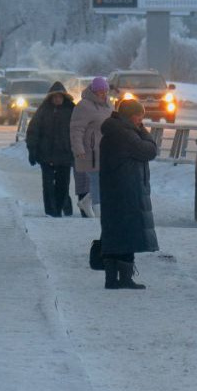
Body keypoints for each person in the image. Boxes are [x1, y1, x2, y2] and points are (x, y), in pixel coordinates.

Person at [98, 99, 158, 290]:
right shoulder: (125, 134)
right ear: (132, 116)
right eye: (140, 116)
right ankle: (124, 278)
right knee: (128, 232)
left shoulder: (113, 131)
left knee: (114, 232)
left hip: (114, 188)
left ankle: (111, 279)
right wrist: (143, 131)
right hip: (127, 189)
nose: (141, 120)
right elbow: (149, 150)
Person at [25, 81, 76, 217]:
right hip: (46, 154)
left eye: (60, 97)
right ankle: (50, 212)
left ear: (64, 97)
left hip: (65, 155)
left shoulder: (71, 111)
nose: (57, 99)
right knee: (47, 186)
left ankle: (60, 207)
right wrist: (32, 150)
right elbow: (33, 131)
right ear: (50, 98)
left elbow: (78, 132)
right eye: (55, 97)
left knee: (63, 185)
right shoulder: (43, 111)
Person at [70, 76, 113, 218]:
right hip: (90, 151)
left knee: (104, 180)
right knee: (96, 180)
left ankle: (86, 202)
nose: (103, 94)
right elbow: (76, 129)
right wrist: (78, 149)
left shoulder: (108, 105)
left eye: (105, 91)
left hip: (106, 150)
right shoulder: (83, 106)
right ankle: (99, 212)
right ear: (93, 91)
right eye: (100, 91)